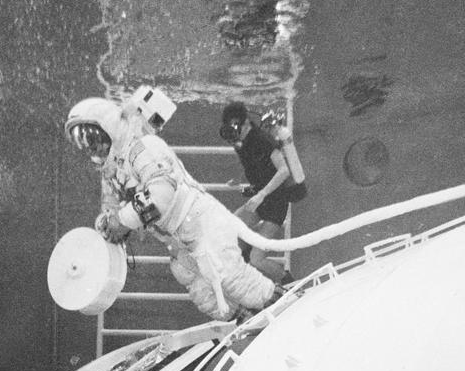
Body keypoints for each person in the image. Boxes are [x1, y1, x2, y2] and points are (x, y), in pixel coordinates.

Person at [65, 96, 280, 321]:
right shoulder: (112, 172)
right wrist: (107, 225)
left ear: (110, 128)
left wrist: (122, 221)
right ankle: (245, 318)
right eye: (82, 142)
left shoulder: (143, 148)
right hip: (178, 239)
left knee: (231, 277)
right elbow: (112, 210)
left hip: (201, 223)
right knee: (199, 287)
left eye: (91, 137)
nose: (91, 147)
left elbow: (161, 194)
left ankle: (278, 303)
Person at [219, 101, 307, 283]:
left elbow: (284, 170)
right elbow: (254, 168)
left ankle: (288, 282)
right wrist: (240, 182)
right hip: (260, 199)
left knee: (257, 259)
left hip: (276, 204)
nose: (234, 133)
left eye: (236, 127)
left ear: (245, 123)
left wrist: (261, 195)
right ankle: (245, 261)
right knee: (229, 230)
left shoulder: (262, 140)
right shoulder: (240, 142)